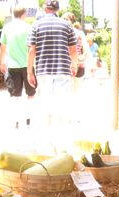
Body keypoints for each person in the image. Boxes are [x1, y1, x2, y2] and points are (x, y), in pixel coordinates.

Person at [27, 0, 78, 128]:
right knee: (61, 107)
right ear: (58, 9)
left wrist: (29, 72)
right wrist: (74, 65)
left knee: (45, 106)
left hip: (43, 70)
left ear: (45, 8)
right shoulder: (67, 25)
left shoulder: (36, 25)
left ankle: (47, 138)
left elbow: (31, 50)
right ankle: (60, 138)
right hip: (63, 70)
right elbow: (73, 49)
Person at [0, 4, 36, 128]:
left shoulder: (7, 28)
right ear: (24, 14)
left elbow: (3, 47)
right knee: (30, 93)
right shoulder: (29, 27)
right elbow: (32, 47)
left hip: (12, 65)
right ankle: (28, 118)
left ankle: (16, 120)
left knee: (15, 95)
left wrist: (2, 62)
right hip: (28, 66)